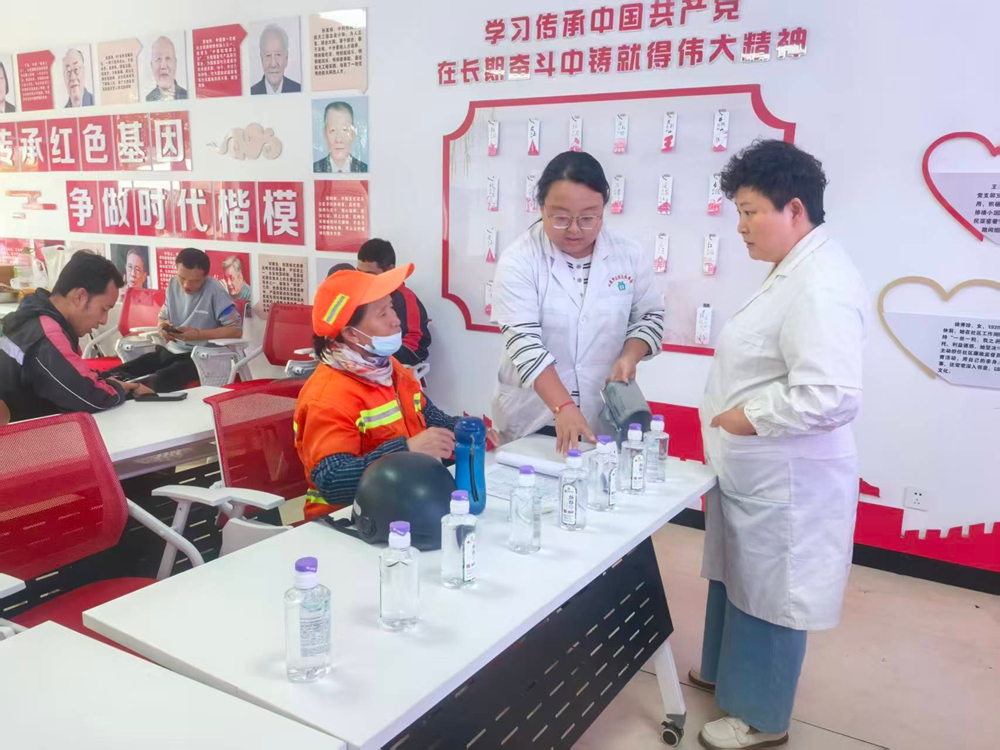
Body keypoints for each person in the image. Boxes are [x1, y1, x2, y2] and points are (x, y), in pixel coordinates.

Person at [693, 140, 869, 750]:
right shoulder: (793, 269)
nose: (741, 226)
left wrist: (746, 417)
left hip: (787, 478)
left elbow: (831, 395)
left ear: (794, 208)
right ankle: (726, 677)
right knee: (740, 576)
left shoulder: (820, 283)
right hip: (756, 470)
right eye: (738, 213)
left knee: (773, 592)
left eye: (749, 212)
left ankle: (762, 717)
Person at [491, 151, 665, 453]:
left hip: (602, 411)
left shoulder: (628, 254)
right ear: (541, 207)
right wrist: (562, 406)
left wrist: (630, 356)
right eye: (561, 218)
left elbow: (650, 318)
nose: (574, 229)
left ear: (603, 210)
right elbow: (524, 343)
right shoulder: (519, 260)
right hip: (534, 415)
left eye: (587, 218)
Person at [294, 266, 497, 522]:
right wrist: (407, 450)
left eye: (391, 307)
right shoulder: (327, 396)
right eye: (383, 314)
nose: (396, 320)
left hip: (401, 503)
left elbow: (428, 416)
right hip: (348, 521)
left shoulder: (389, 367)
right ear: (351, 333)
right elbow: (331, 481)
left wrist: (464, 429)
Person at [0, 253, 151, 422]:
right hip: (23, 434)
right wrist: (123, 389)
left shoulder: (35, 314)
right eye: (104, 309)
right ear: (80, 297)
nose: (104, 320)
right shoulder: (47, 335)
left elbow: (77, 376)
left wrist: (111, 381)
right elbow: (90, 397)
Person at [105, 248, 242, 393]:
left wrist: (199, 335)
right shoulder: (173, 284)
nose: (186, 285)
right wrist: (162, 327)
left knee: (160, 380)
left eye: (195, 281)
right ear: (176, 270)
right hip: (172, 350)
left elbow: (236, 329)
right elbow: (163, 316)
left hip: (203, 357)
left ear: (205, 277)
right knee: (117, 374)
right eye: (182, 278)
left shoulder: (215, 291)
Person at [356, 239, 431, 366]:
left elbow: (416, 348)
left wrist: (379, 356)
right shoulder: (357, 294)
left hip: (390, 367)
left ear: (390, 269)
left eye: (369, 275)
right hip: (359, 361)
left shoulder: (405, 299)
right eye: (359, 273)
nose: (363, 280)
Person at [313, 101, 367, 173]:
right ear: (325, 134)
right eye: (332, 130)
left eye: (344, 130)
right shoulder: (314, 169)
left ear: (353, 133)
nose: (338, 139)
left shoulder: (365, 169)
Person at [250, 24, 300, 95]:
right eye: (268, 56)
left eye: (278, 55)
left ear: (286, 58)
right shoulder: (251, 93)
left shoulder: (299, 90)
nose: (273, 64)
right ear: (262, 59)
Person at [146, 36, 188, 101]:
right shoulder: (148, 99)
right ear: (151, 65)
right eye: (158, 59)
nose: (163, 66)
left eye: (168, 58)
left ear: (175, 63)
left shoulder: (186, 95)